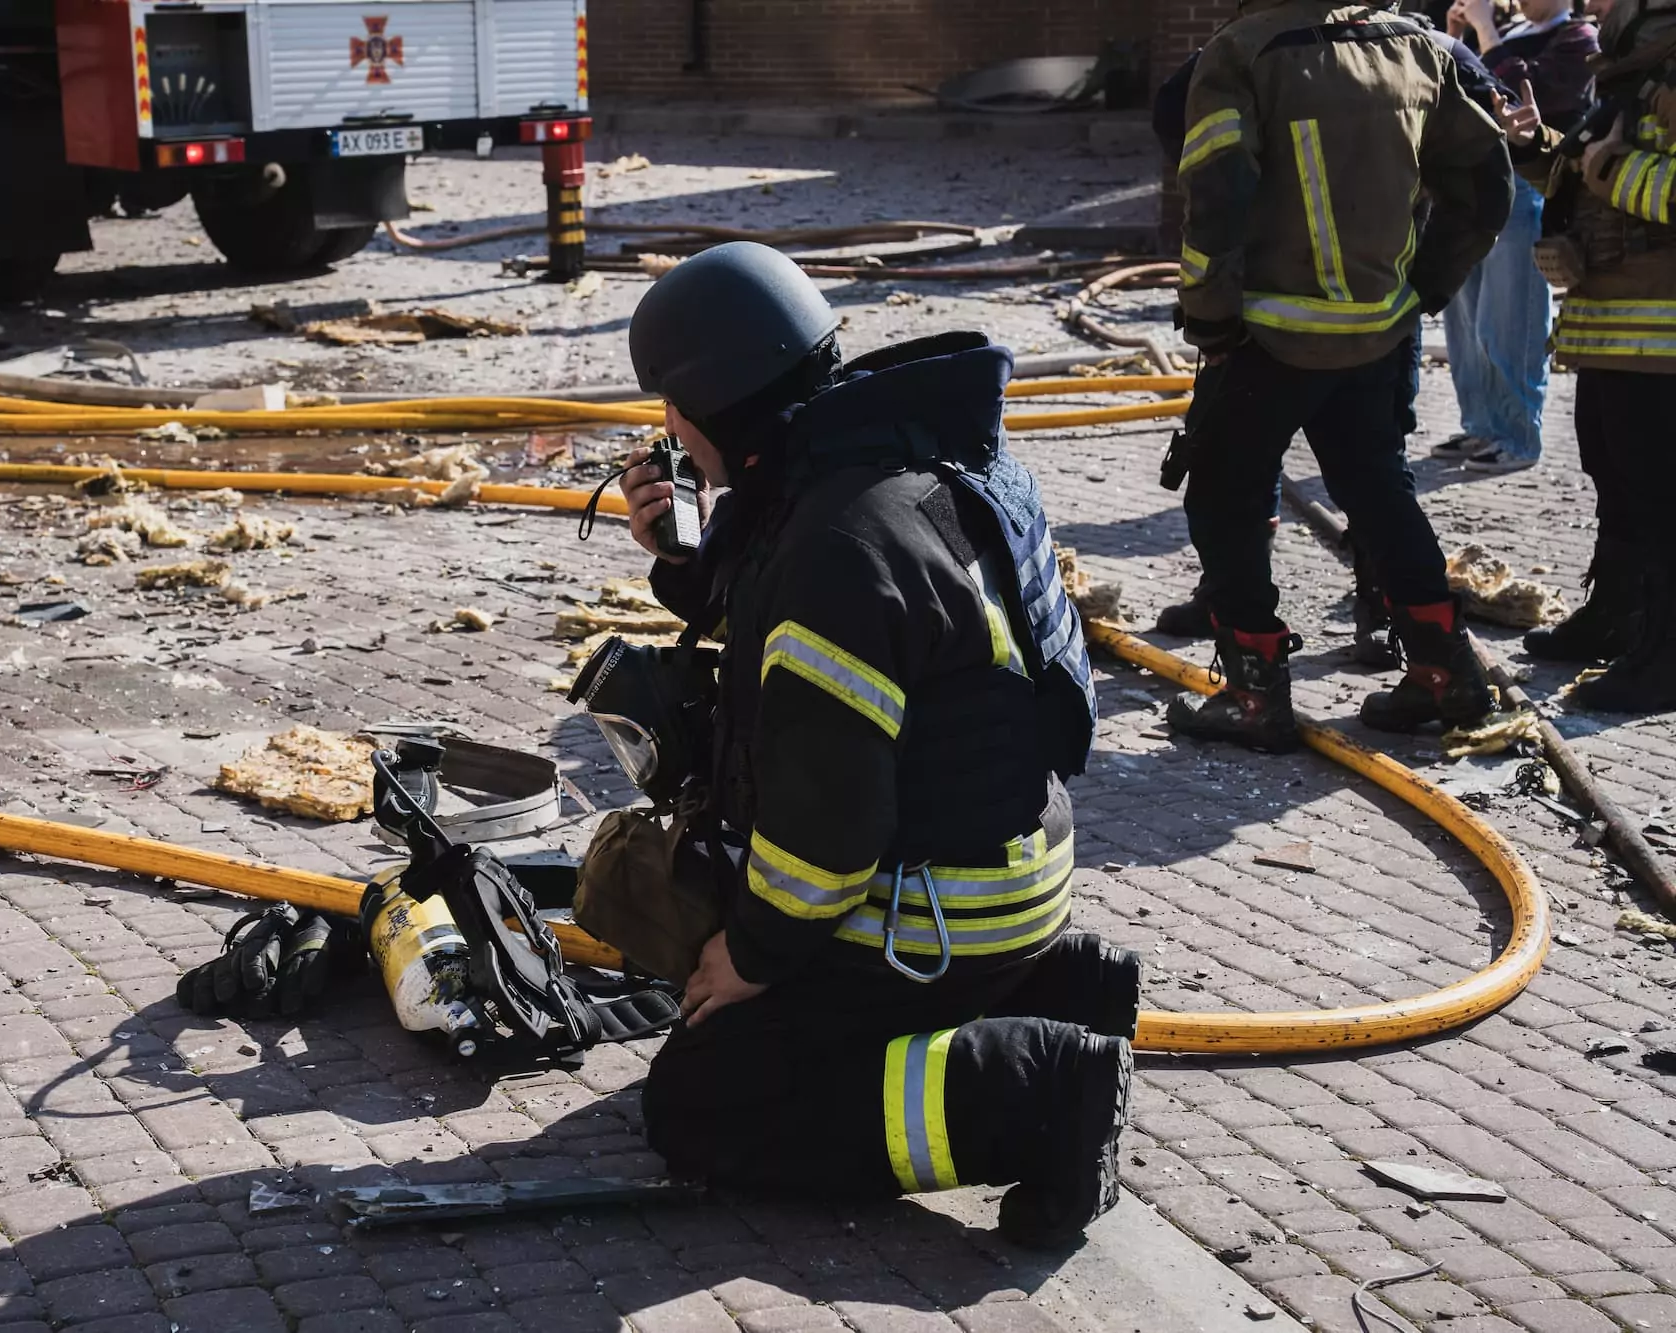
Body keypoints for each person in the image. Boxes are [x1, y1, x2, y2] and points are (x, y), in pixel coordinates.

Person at [613, 242, 1140, 1243]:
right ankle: (1066, 984)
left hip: (935, 908)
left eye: (671, 409)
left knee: (699, 1100)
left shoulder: (836, 548)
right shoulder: (887, 456)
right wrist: (682, 559)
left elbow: (829, 823)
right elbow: (796, 590)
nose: (665, 433)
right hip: (1009, 865)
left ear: (713, 400)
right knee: (751, 1026)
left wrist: (755, 955)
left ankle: (1039, 1097)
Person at [1169, 0, 1516, 752]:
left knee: (1224, 498)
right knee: (1376, 489)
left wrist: (1210, 315)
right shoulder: (1418, 48)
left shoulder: (1245, 52)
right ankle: (1442, 669)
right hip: (1377, 331)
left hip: (1267, 335)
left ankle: (1255, 691)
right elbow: (1488, 184)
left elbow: (1216, 193)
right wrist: (1424, 286)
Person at [1492, 0, 1676, 711]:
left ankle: (1663, 657)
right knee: (1614, 474)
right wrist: (1541, 147)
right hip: (1611, 327)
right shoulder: (1629, 70)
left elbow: (1624, 176)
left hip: (1662, 336)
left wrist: (1611, 168)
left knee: (1661, 497)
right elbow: (1595, 181)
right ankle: (1618, 618)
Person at [1434, 0, 1599, 471]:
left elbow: (1514, 95)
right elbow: (1455, 95)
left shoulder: (1578, 39)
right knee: (1466, 324)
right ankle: (1481, 426)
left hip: (1527, 188)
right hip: (1471, 187)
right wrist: (1456, 39)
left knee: (1509, 322)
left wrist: (1485, 30)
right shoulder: (1508, 32)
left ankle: (1518, 436)